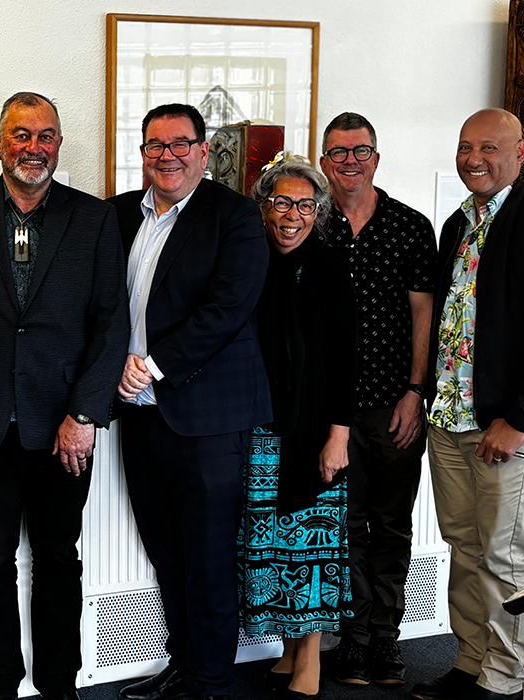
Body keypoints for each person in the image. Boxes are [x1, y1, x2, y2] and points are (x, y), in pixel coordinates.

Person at [0, 91, 129, 700]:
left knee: (57, 560)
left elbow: (111, 323)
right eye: (20, 135)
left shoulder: (94, 218)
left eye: (45, 135)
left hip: (63, 428)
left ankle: (59, 684)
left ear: (57, 143)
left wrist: (85, 413)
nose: (33, 147)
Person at [110, 103, 272, 700]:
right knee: (167, 554)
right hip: (140, 415)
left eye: (181, 144)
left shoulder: (234, 215)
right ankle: (184, 667)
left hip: (205, 419)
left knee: (207, 560)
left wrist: (152, 366)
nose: (168, 155)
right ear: (143, 152)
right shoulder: (122, 214)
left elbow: (228, 308)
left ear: (204, 152)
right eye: (155, 145)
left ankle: (212, 682)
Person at [411, 108, 524, 700]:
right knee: (465, 548)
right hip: (450, 417)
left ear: (520, 152)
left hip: (503, 427)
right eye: (464, 147)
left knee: (507, 561)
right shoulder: (457, 223)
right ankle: (471, 662)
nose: (474, 158)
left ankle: (508, 679)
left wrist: (520, 420)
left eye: (488, 146)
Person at [319, 112, 436, 686]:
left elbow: (423, 314)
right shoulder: (309, 224)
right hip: (332, 413)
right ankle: (354, 642)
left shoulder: (411, 226)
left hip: (395, 405)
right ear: (324, 162)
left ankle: (386, 645)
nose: (349, 162)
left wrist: (416, 392)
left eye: (359, 151)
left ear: (376, 158)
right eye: (338, 153)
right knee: (341, 527)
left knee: (391, 528)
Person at [239, 153, 357, 699]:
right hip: (262, 425)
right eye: (282, 203)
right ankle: (287, 650)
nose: (293, 216)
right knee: (271, 544)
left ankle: (309, 657)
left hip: (314, 430)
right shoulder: (250, 259)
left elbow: (346, 359)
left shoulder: (330, 267)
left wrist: (339, 435)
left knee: (309, 547)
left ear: (319, 210)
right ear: (263, 207)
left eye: (306, 205)